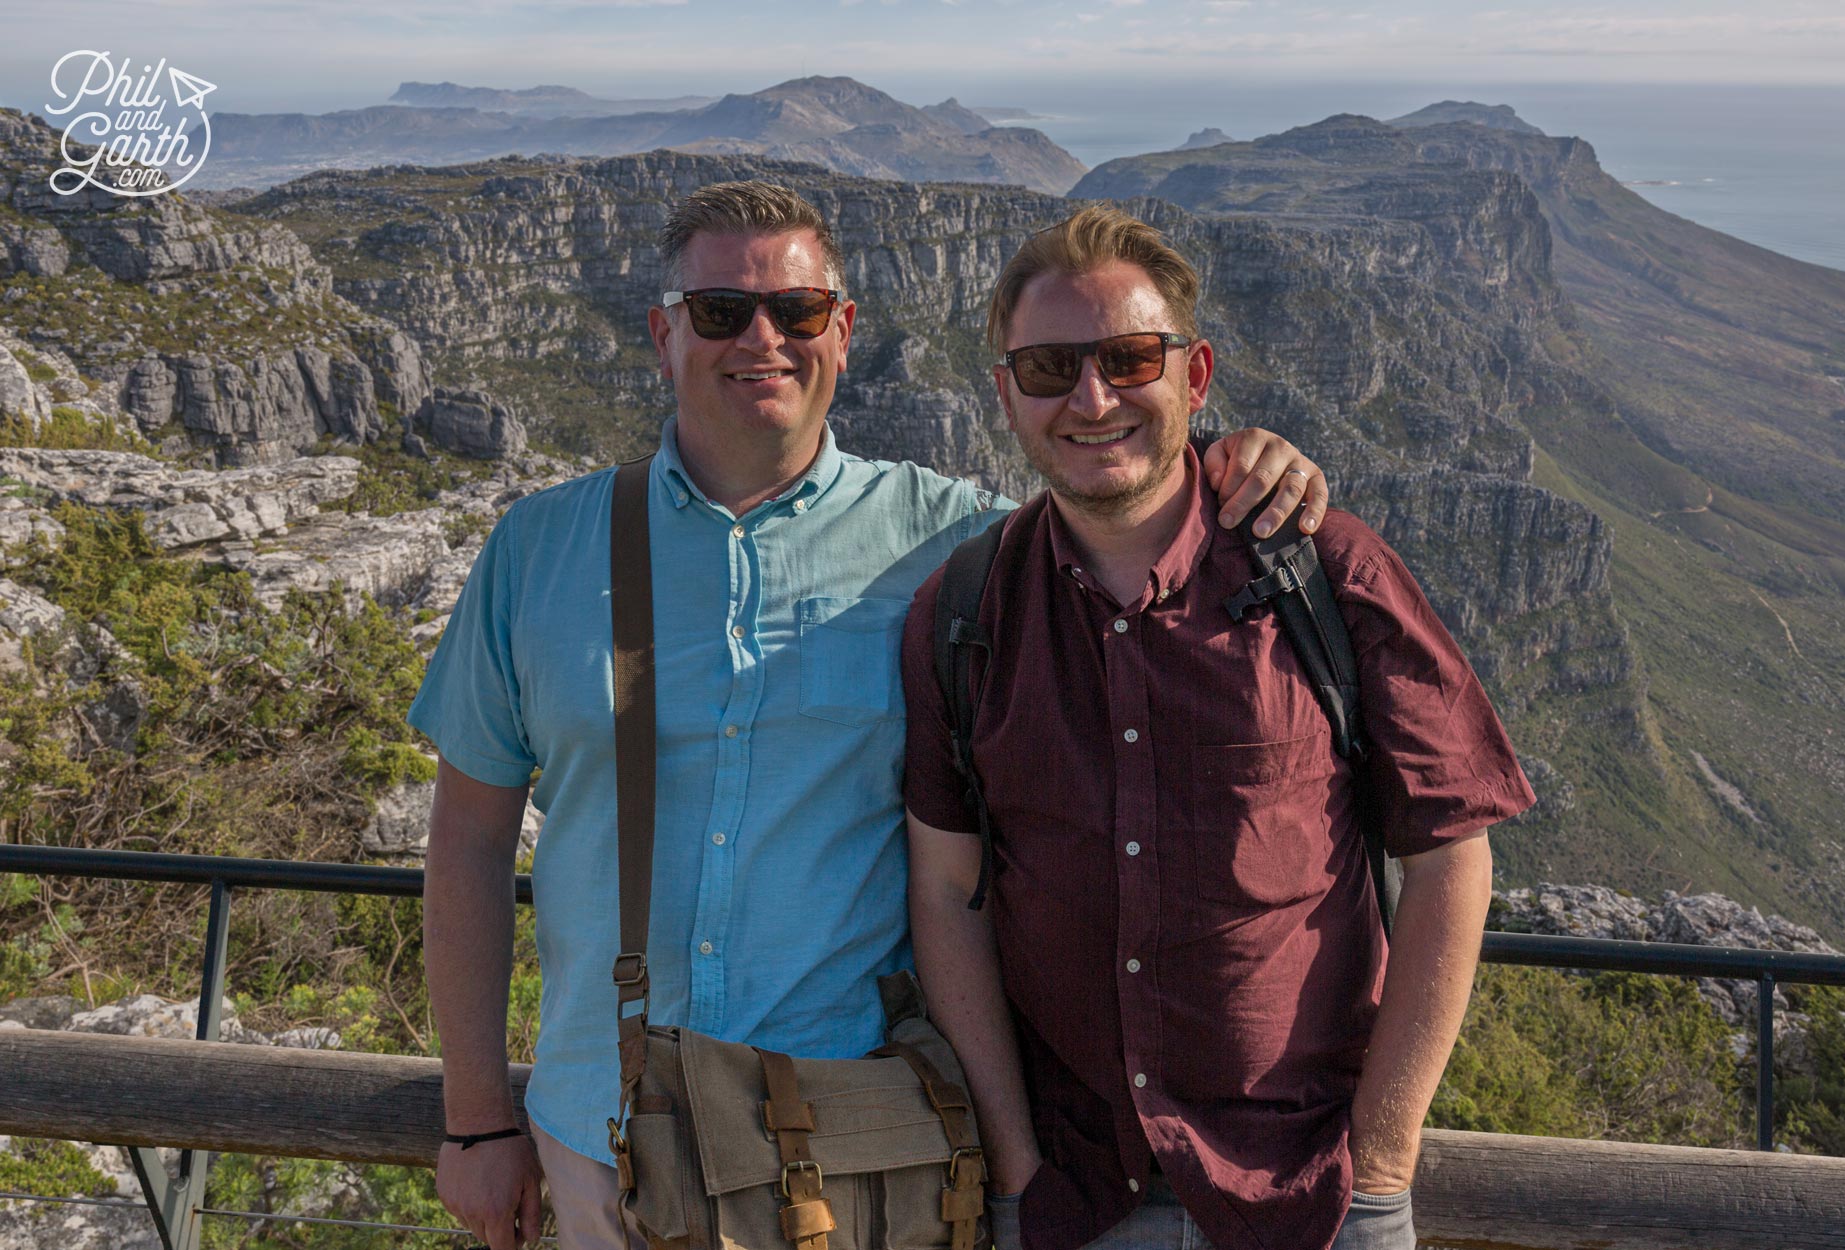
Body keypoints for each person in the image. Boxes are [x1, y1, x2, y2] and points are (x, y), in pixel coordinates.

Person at [408, 180, 1333, 1250]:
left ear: (842, 334)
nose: (763, 337)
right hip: (602, 1141)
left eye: (798, 312)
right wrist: (476, 1118)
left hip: (861, 1152)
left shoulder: (960, 546)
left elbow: (1127, 506)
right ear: (663, 336)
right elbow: (470, 839)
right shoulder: (539, 550)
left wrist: (1240, 463)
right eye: (721, 312)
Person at [901, 205, 1537, 1250]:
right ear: (1006, 394)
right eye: (1052, 367)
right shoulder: (965, 614)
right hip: (1075, 1196)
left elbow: (1452, 861)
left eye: (1129, 356)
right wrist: (1015, 1163)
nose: (1093, 397)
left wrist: (1379, 1159)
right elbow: (945, 891)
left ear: (1194, 378)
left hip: (1312, 1195)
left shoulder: (1327, 572)